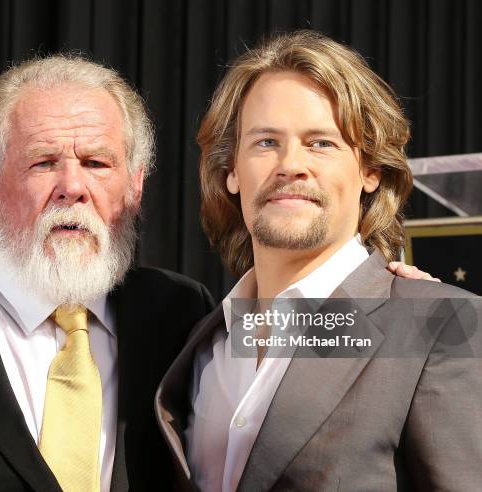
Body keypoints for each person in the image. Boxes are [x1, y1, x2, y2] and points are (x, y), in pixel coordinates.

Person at [155, 30, 482, 491]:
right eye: (266, 142)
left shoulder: (439, 325)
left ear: (370, 170)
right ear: (230, 172)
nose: (291, 164)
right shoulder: (202, 340)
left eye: (321, 143)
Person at [0, 55, 215, 491]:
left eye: (96, 163)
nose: (72, 187)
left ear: (134, 188)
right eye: (44, 163)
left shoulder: (182, 315)